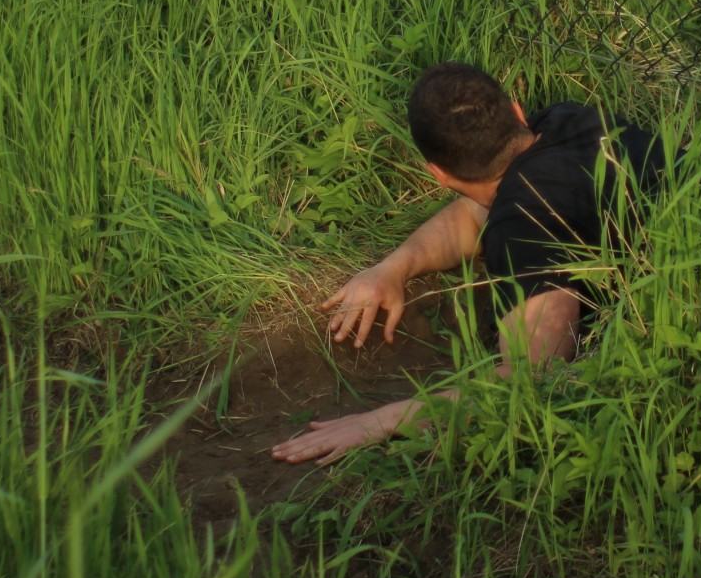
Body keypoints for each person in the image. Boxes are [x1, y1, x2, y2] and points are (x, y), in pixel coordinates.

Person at [271, 61, 668, 465]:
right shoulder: (568, 120)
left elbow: (535, 377)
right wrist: (391, 269)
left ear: (438, 174)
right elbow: (475, 213)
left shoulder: (523, 224)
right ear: (517, 113)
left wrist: (382, 421)